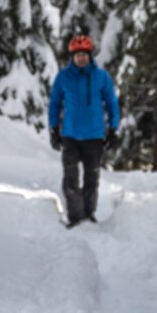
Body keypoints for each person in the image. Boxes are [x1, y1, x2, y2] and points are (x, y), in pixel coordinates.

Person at [48, 34, 120, 227]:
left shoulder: (101, 77)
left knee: (91, 178)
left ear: (90, 55)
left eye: (84, 54)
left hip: (95, 136)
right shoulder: (63, 77)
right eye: (77, 55)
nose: (81, 58)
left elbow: (112, 103)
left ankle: (89, 215)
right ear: (72, 56)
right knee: (70, 178)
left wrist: (113, 130)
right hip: (70, 135)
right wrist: (54, 129)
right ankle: (76, 217)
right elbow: (55, 104)